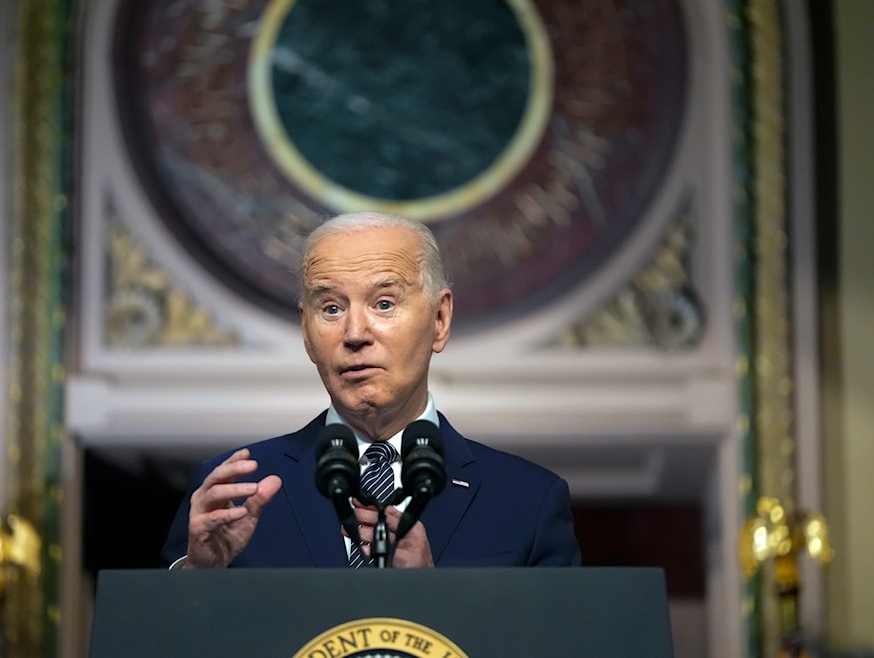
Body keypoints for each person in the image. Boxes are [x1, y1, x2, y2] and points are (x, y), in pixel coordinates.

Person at [160, 211, 581, 568]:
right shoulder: (234, 496)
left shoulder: (528, 502)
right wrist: (198, 579)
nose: (355, 333)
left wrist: (441, 600)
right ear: (306, 333)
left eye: (383, 303)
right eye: (331, 308)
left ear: (439, 319)